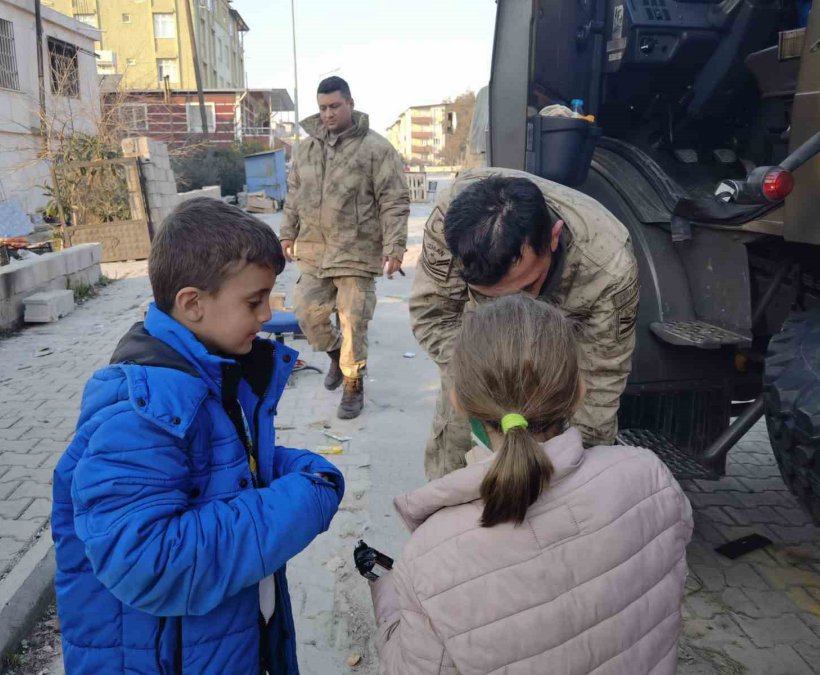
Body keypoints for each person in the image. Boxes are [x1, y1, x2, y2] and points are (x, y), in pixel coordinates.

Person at [51, 198, 345, 674]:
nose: (268, 315)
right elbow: (149, 559)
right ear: (192, 304)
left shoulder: (209, 371)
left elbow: (220, 466)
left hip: (219, 643)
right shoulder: (139, 411)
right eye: (254, 301)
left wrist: (292, 467)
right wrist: (302, 499)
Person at [370, 295, 693, 674]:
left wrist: (388, 595)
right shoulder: (650, 477)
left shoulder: (430, 557)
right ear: (579, 392)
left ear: (458, 401)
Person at [410, 169, 639, 479]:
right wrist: (480, 385)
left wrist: (578, 471)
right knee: (453, 475)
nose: (513, 306)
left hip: (556, 384)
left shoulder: (608, 266)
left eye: (527, 286)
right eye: (488, 297)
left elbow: (602, 375)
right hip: (478, 369)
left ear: (554, 238)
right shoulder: (452, 219)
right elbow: (434, 315)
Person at [281, 75, 409, 420]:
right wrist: (286, 234)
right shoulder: (306, 150)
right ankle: (338, 357)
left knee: (353, 319)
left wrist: (395, 247)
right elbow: (293, 196)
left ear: (350, 103)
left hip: (357, 251)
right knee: (306, 314)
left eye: (335, 106)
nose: (328, 114)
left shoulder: (376, 149)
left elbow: (394, 201)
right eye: (322, 108)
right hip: (314, 251)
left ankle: (353, 386)